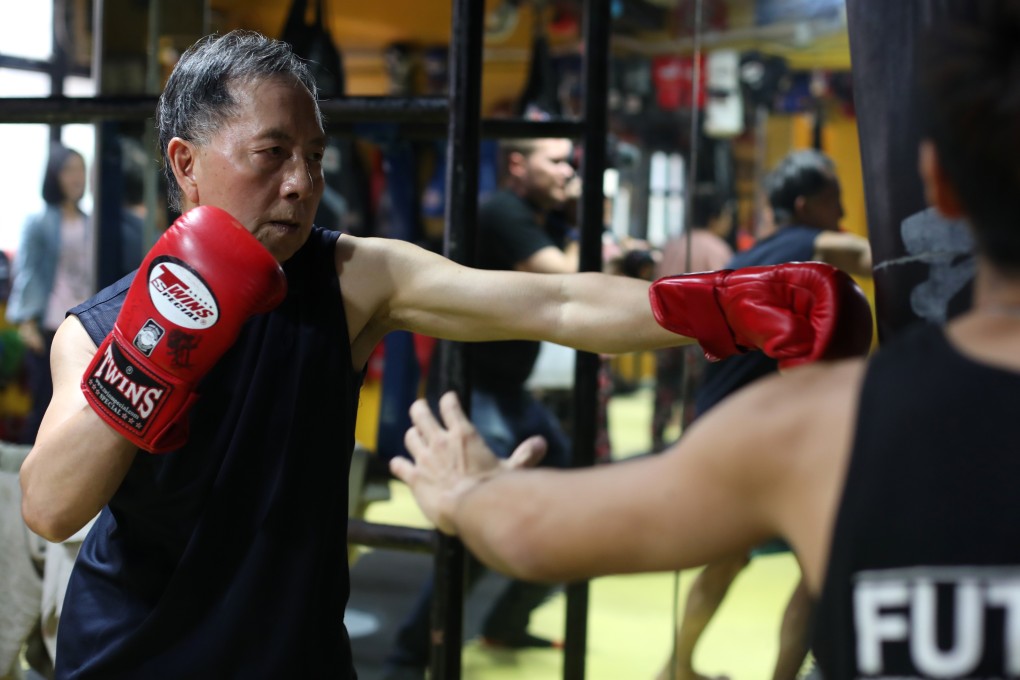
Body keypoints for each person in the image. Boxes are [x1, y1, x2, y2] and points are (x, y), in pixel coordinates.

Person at [16, 30, 846, 679]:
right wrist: (160, 344)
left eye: (313, 156)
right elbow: (52, 506)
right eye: (273, 154)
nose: (303, 182)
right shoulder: (95, 329)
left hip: (291, 661)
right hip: (131, 660)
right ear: (186, 165)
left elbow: (552, 300)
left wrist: (728, 306)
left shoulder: (347, 278)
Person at [391, 3, 1020, 677]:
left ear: (938, 186)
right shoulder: (790, 338)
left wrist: (468, 492)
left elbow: (540, 531)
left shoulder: (821, 423)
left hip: (724, 413)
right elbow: (563, 295)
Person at [655, 148, 873, 680]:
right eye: (832, 200)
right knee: (818, 569)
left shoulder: (753, 254)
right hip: (750, 434)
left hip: (720, 425)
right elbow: (862, 255)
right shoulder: (805, 244)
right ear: (804, 205)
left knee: (730, 559)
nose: (840, 210)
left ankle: (676, 669)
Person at [383, 137, 582, 679]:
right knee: (476, 521)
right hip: (473, 391)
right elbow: (562, 278)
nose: (569, 170)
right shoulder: (503, 211)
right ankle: (409, 655)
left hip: (510, 391)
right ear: (518, 165)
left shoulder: (540, 215)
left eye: (571, 161)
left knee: (573, 504)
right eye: (557, 161)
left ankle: (507, 621)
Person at [6, 142, 93, 446]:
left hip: (81, 324)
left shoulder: (91, 222)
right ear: (54, 175)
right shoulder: (39, 221)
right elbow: (27, 272)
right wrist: (27, 322)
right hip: (47, 325)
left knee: (77, 404)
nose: (76, 177)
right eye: (69, 170)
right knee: (44, 402)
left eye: (81, 169)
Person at [650, 186, 735, 453]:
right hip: (698, 337)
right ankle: (688, 450)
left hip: (663, 331)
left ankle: (656, 444)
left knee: (664, 391)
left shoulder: (672, 244)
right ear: (716, 217)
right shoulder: (717, 248)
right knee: (693, 394)